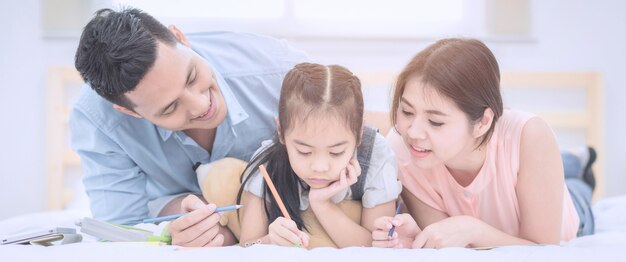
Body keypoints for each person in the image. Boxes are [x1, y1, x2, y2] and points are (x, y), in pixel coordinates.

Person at [70, 7, 308, 247]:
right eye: (170, 108)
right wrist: (172, 226)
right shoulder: (99, 120)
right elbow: (121, 230)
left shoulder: (280, 71)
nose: (201, 105)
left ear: (180, 38)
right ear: (130, 112)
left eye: (192, 76)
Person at [371, 38, 595, 249]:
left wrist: (473, 230)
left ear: (483, 122)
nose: (414, 132)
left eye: (435, 121)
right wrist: (418, 238)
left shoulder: (531, 135)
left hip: (571, 219)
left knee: (577, 190)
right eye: (407, 111)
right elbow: (445, 241)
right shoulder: (402, 149)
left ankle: (577, 163)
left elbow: (544, 249)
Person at [237, 63, 401, 248]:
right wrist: (268, 241)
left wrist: (322, 205)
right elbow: (246, 246)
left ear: (359, 133)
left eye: (336, 152)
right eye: (304, 151)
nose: (320, 167)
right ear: (281, 132)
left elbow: (377, 247)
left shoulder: (375, 155)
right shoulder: (268, 164)